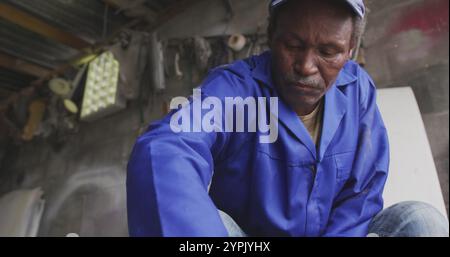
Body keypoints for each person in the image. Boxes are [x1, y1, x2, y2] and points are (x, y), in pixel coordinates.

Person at [127, 0, 449, 237]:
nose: (307, 66)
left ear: (350, 50)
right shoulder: (234, 91)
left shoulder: (358, 91)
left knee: (422, 223)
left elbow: (362, 193)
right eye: (293, 45)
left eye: (328, 51)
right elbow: (167, 147)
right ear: (271, 35)